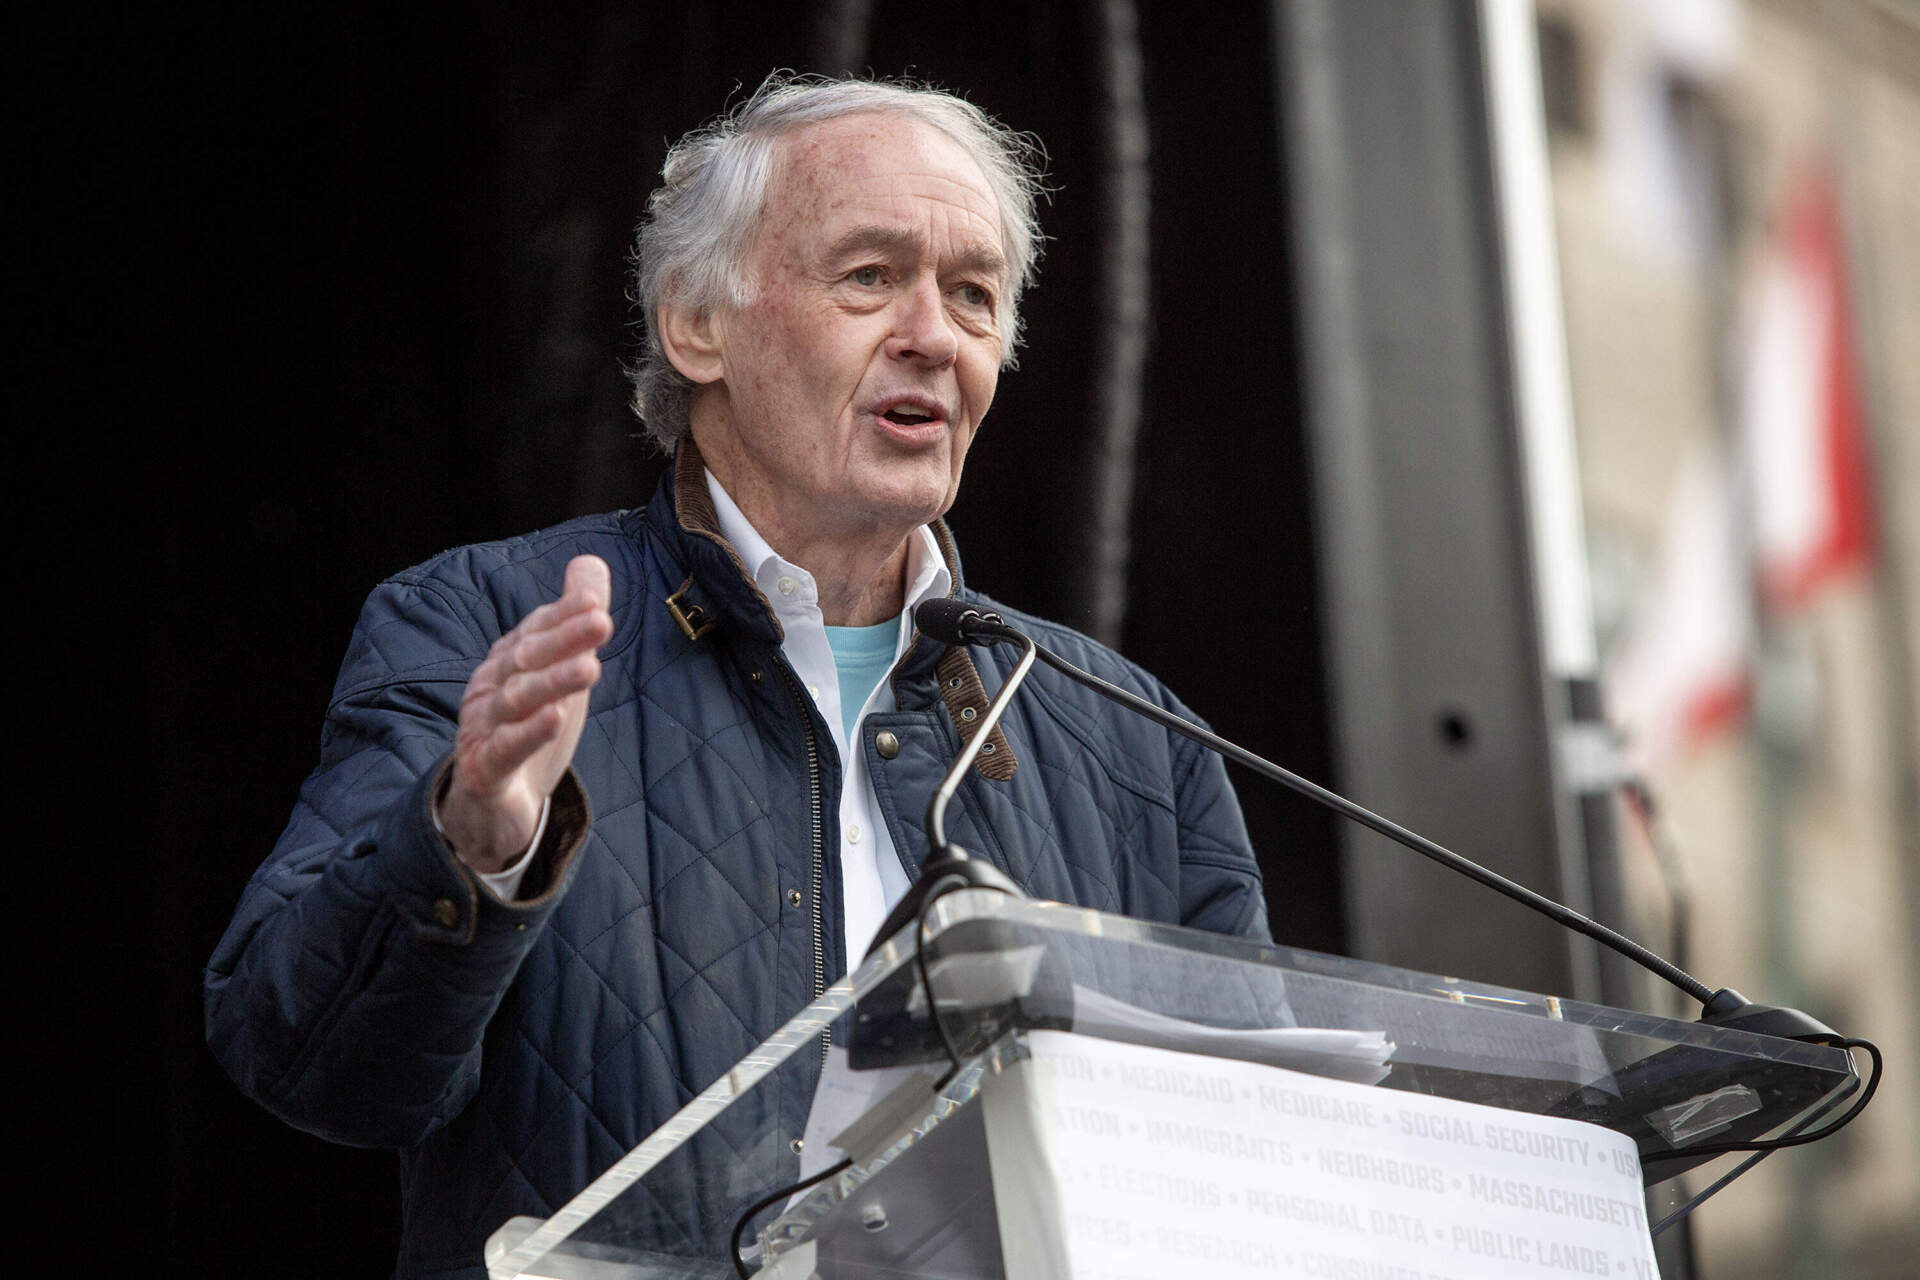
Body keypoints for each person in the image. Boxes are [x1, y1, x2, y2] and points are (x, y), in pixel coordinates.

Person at [206, 73, 1268, 1278]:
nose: (932, 332)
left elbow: (1244, 1176)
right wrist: (471, 843)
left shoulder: (1130, 737)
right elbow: (305, 1062)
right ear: (696, 325)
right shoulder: (477, 624)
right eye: (869, 276)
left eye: (974, 294)